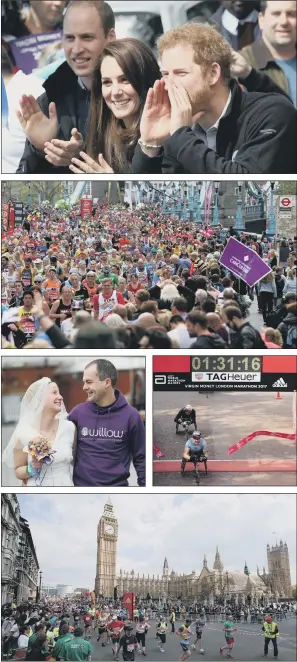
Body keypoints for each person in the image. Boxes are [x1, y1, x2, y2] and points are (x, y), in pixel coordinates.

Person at [132, 23, 297, 174]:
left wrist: (181, 137)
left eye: (180, 73)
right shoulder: (177, 127)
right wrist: (150, 145)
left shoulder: (271, 112)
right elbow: (146, 200)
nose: (168, 84)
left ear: (213, 74)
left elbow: (246, 188)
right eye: (165, 74)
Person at [16, 0, 116, 173]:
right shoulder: (50, 98)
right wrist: (40, 149)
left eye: (87, 37)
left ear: (110, 38)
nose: (76, 49)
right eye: (70, 38)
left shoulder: (132, 93)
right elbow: (23, 182)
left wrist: (81, 158)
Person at [69, 38, 161, 174]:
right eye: (107, 82)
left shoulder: (164, 138)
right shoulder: (102, 135)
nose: (115, 92)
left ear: (145, 80)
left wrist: (115, 188)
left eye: (124, 80)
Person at [67, 359, 146, 487]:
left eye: (89, 382)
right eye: (84, 382)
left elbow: (142, 458)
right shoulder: (77, 413)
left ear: (107, 382)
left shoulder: (132, 416)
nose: (84, 387)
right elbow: (59, 445)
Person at [2, 377, 76, 486]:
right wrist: (31, 469)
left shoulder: (70, 428)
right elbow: (18, 471)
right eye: (54, 392)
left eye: (59, 393)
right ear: (39, 399)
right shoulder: (23, 433)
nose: (60, 397)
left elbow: (77, 462)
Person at [240, 1, 296, 107]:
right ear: (261, 19)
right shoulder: (242, 65)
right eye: (276, 14)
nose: (284, 21)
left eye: (291, 14)